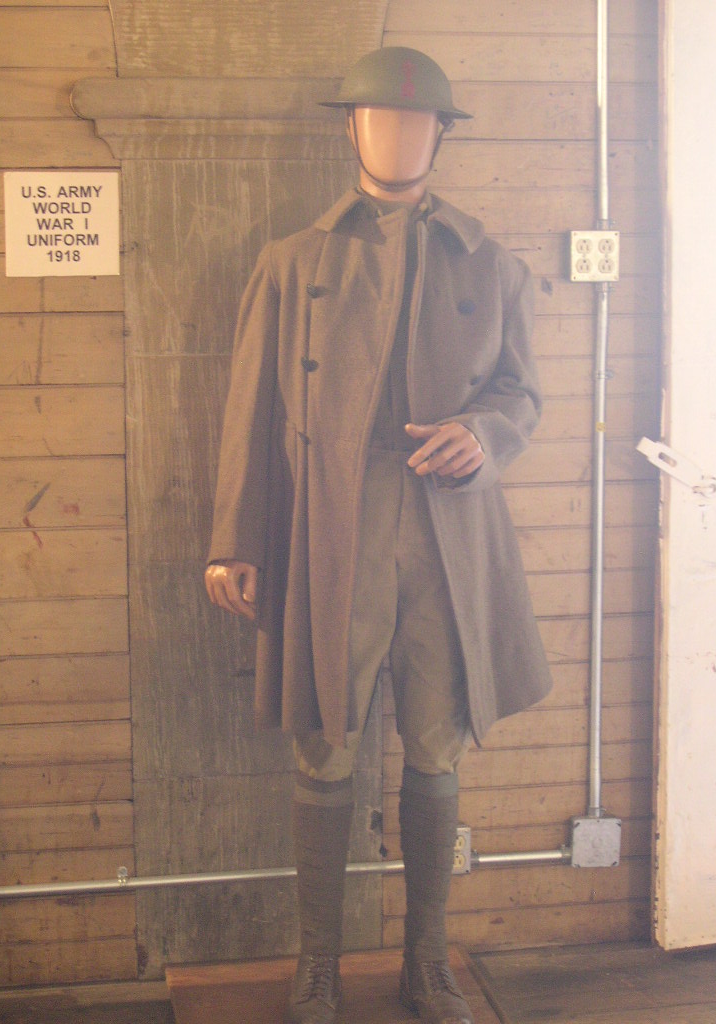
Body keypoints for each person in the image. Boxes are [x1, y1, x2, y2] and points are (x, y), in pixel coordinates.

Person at [205, 46, 552, 1024]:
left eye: (416, 122)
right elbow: (249, 410)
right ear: (349, 129)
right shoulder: (293, 264)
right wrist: (235, 536)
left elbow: (523, 393)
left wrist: (483, 435)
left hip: (448, 533)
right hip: (332, 528)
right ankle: (316, 966)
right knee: (324, 745)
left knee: (437, 747)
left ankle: (426, 963)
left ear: (442, 135)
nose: (398, 136)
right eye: (378, 119)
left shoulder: (491, 263)